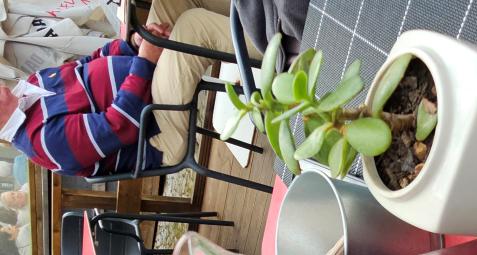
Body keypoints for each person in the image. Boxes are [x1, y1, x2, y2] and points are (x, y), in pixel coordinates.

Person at [1, 0, 309, 177]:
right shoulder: (43, 142)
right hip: (156, 128)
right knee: (192, 27)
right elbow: (120, 125)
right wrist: (146, 59)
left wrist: (133, 43)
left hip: (145, 83)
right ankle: (288, 45)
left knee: (170, 2)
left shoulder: (30, 87)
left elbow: (92, 62)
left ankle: (270, 12)